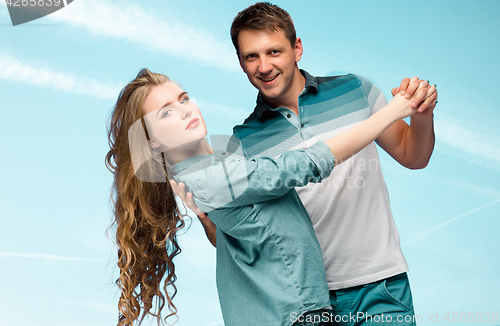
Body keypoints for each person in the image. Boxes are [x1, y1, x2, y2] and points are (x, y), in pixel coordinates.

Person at [176, 2, 438, 326]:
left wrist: (422, 115)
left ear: (296, 48)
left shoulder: (356, 90)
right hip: (306, 303)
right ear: (240, 63)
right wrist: (209, 224)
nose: (264, 66)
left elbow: (414, 156)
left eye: (274, 52)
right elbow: (245, 240)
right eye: (251, 56)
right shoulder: (241, 144)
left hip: (381, 285)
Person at [105, 68, 434, 326]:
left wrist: (212, 224)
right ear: (152, 143)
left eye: (184, 98)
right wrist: (391, 113)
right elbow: (306, 164)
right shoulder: (212, 177)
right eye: (165, 113)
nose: (184, 110)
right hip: (299, 315)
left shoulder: (212, 168)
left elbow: (254, 241)